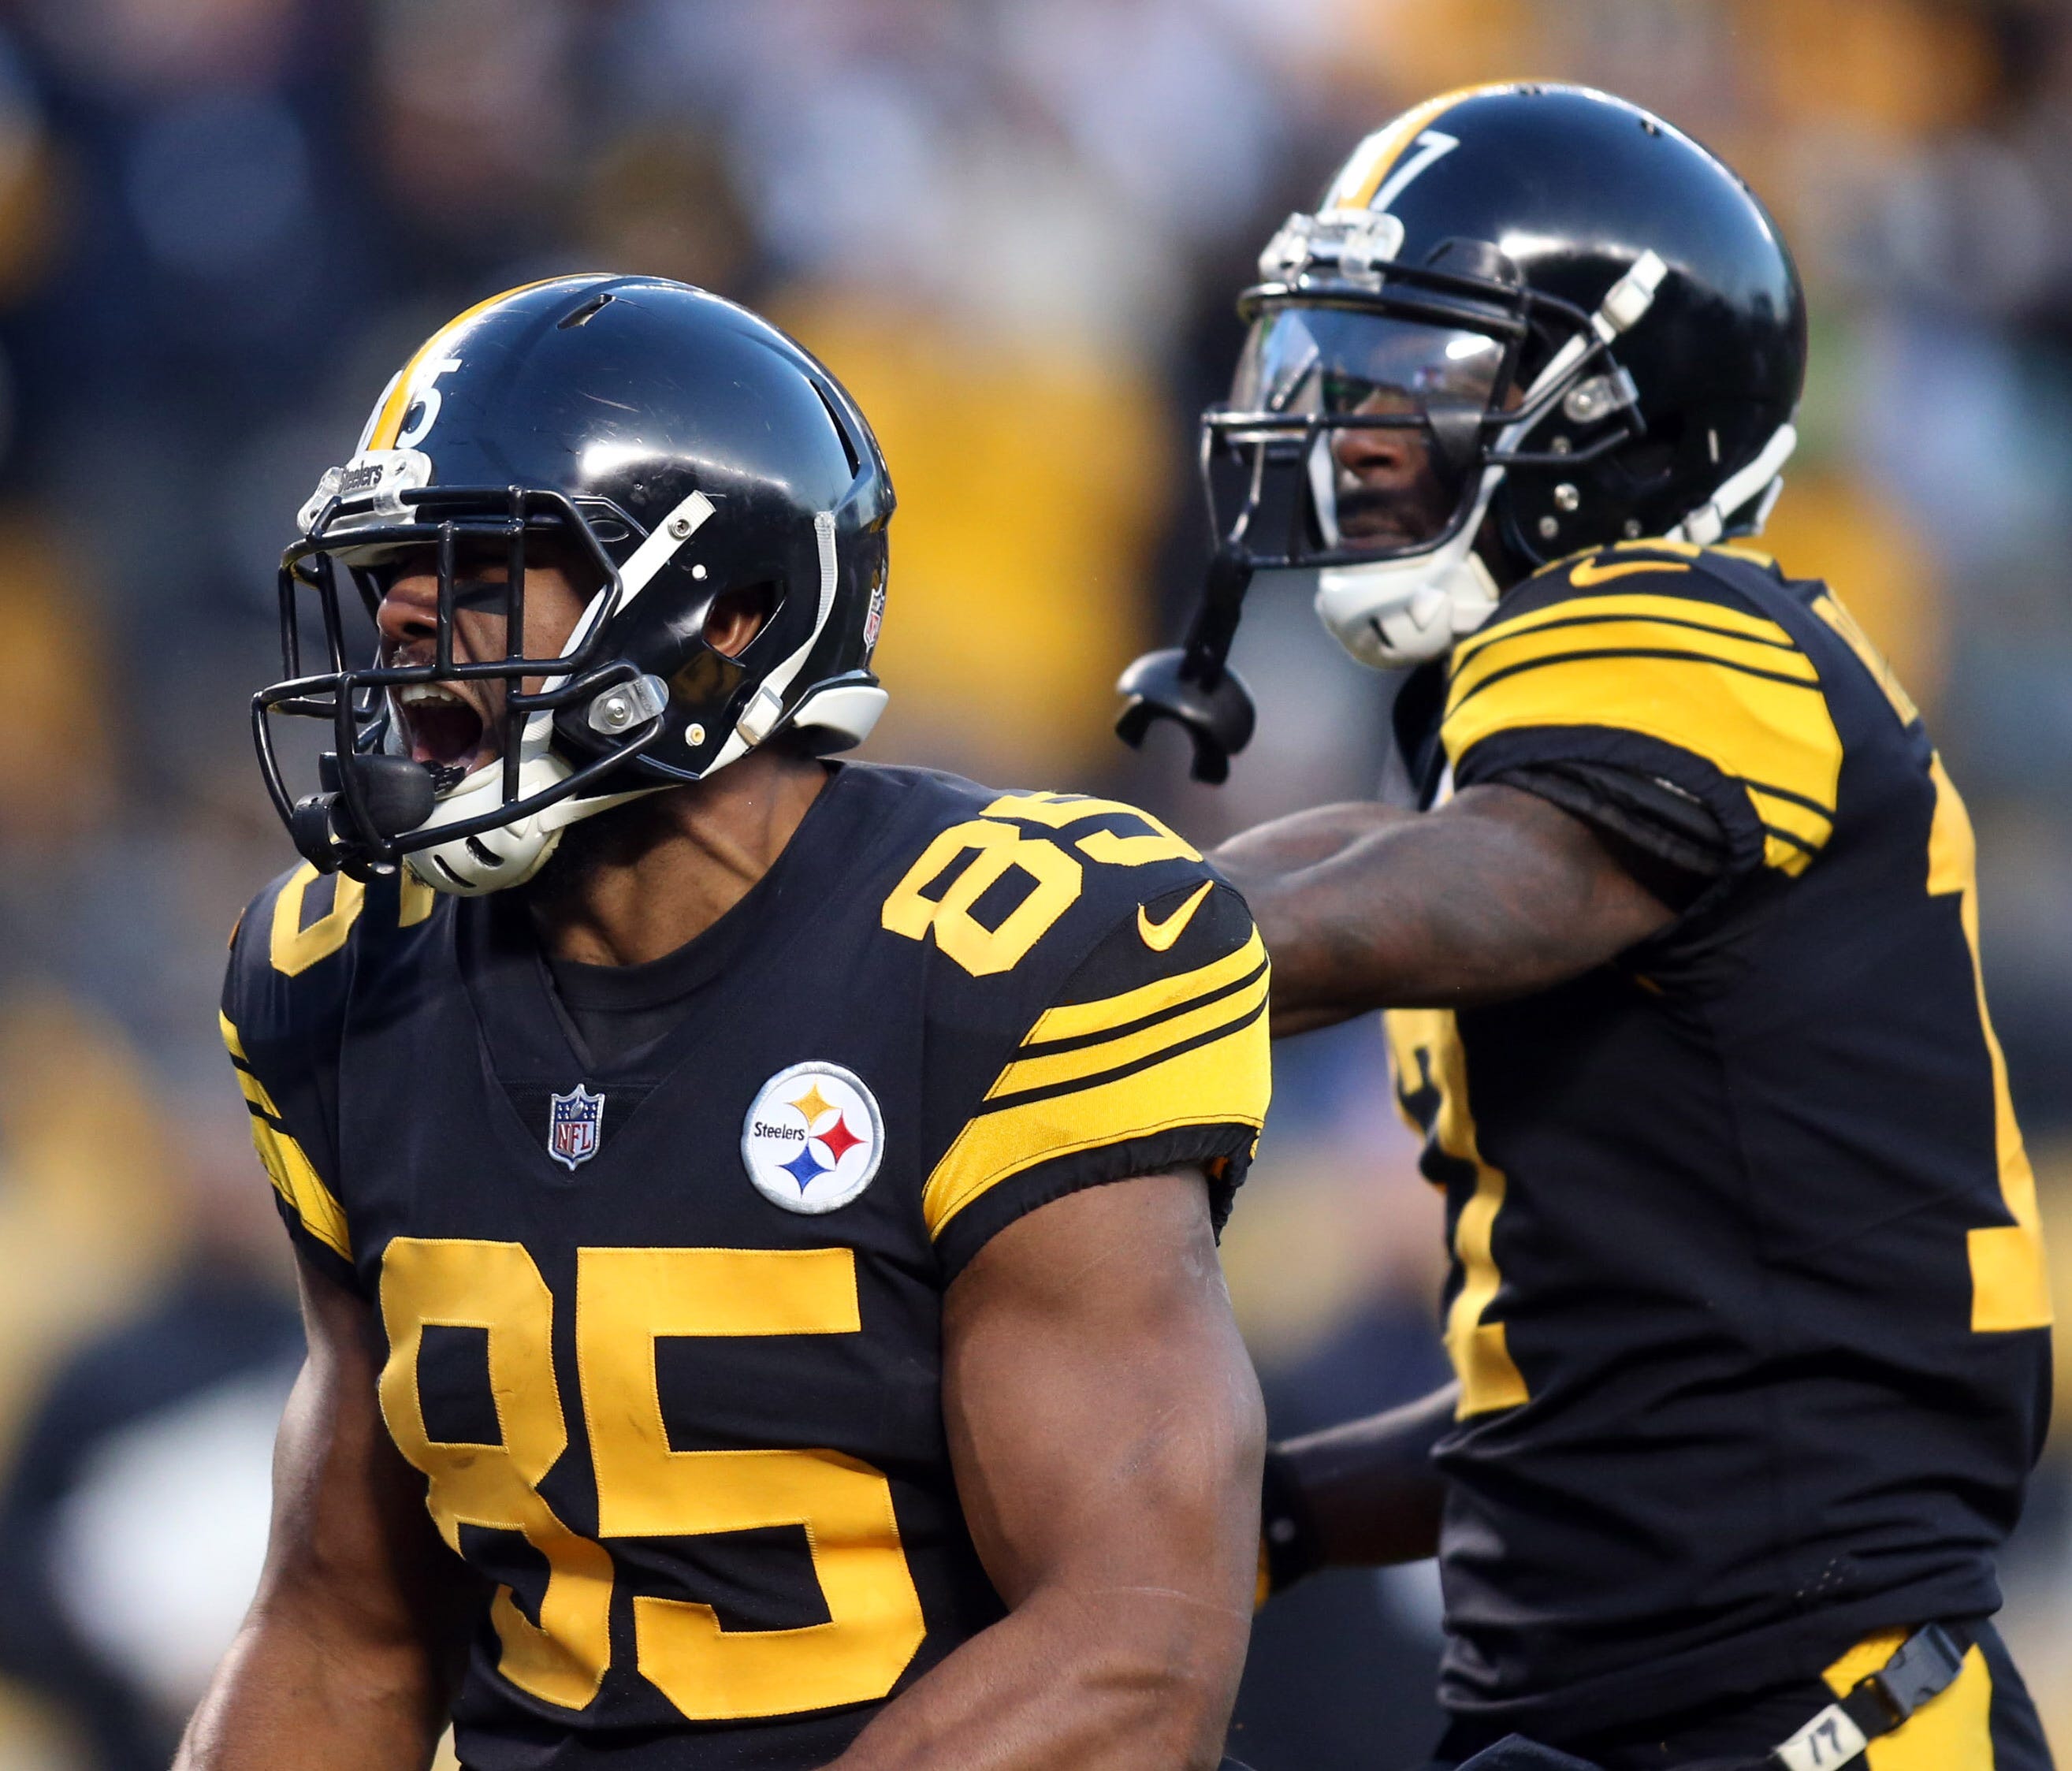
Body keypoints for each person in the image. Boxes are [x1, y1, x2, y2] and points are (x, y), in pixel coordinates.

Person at [185, 277, 1272, 1771]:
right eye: (390, 573)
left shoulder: (1007, 952)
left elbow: (1132, 1653)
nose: (407, 614)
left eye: (485, 563)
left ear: (726, 615)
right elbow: (343, 1626)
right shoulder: (333, 975)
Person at [1120, 84, 2055, 1771]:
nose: (1352, 421)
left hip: (1797, 1714)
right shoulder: (1521, 762)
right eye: (1342, 358)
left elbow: (1477, 884)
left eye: (1421, 368)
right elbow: (1586, 1401)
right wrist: (1284, 1511)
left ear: (1617, 410)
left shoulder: (1685, 630)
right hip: (1657, 1711)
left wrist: (1025, 956)